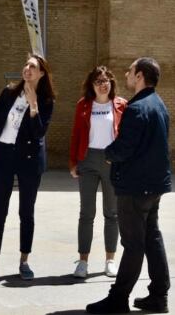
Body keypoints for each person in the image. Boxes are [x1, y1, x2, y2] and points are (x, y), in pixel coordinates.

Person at [86, 57, 171, 314]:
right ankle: (159, 296)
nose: (126, 74)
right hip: (154, 185)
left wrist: (109, 154)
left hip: (135, 186)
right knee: (152, 237)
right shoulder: (159, 104)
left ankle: (118, 298)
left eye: (131, 71)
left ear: (140, 76)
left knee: (133, 243)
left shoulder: (137, 108)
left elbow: (125, 147)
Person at [0, 54, 56, 281]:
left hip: (29, 159)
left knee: (26, 212)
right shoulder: (9, 92)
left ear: (42, 73)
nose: (27, 69)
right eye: (26, 65)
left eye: (33, 66)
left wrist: (33, 106)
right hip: (2, 155)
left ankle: (24, 260)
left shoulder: (47, 100)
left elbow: (39, 132)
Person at [69, 66, 127, 278]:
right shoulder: (83, 105)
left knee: (112, 213)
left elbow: (127, 137)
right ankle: (83, 261)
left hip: (112, 162)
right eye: (98, 81)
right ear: (91, 85)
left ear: (111, 83)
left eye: (106, 80)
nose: (103, 84)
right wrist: (73, 162)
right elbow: (76, 134)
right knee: (86, 213)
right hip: (88, 160)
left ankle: (110, 260)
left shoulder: (121, 105)